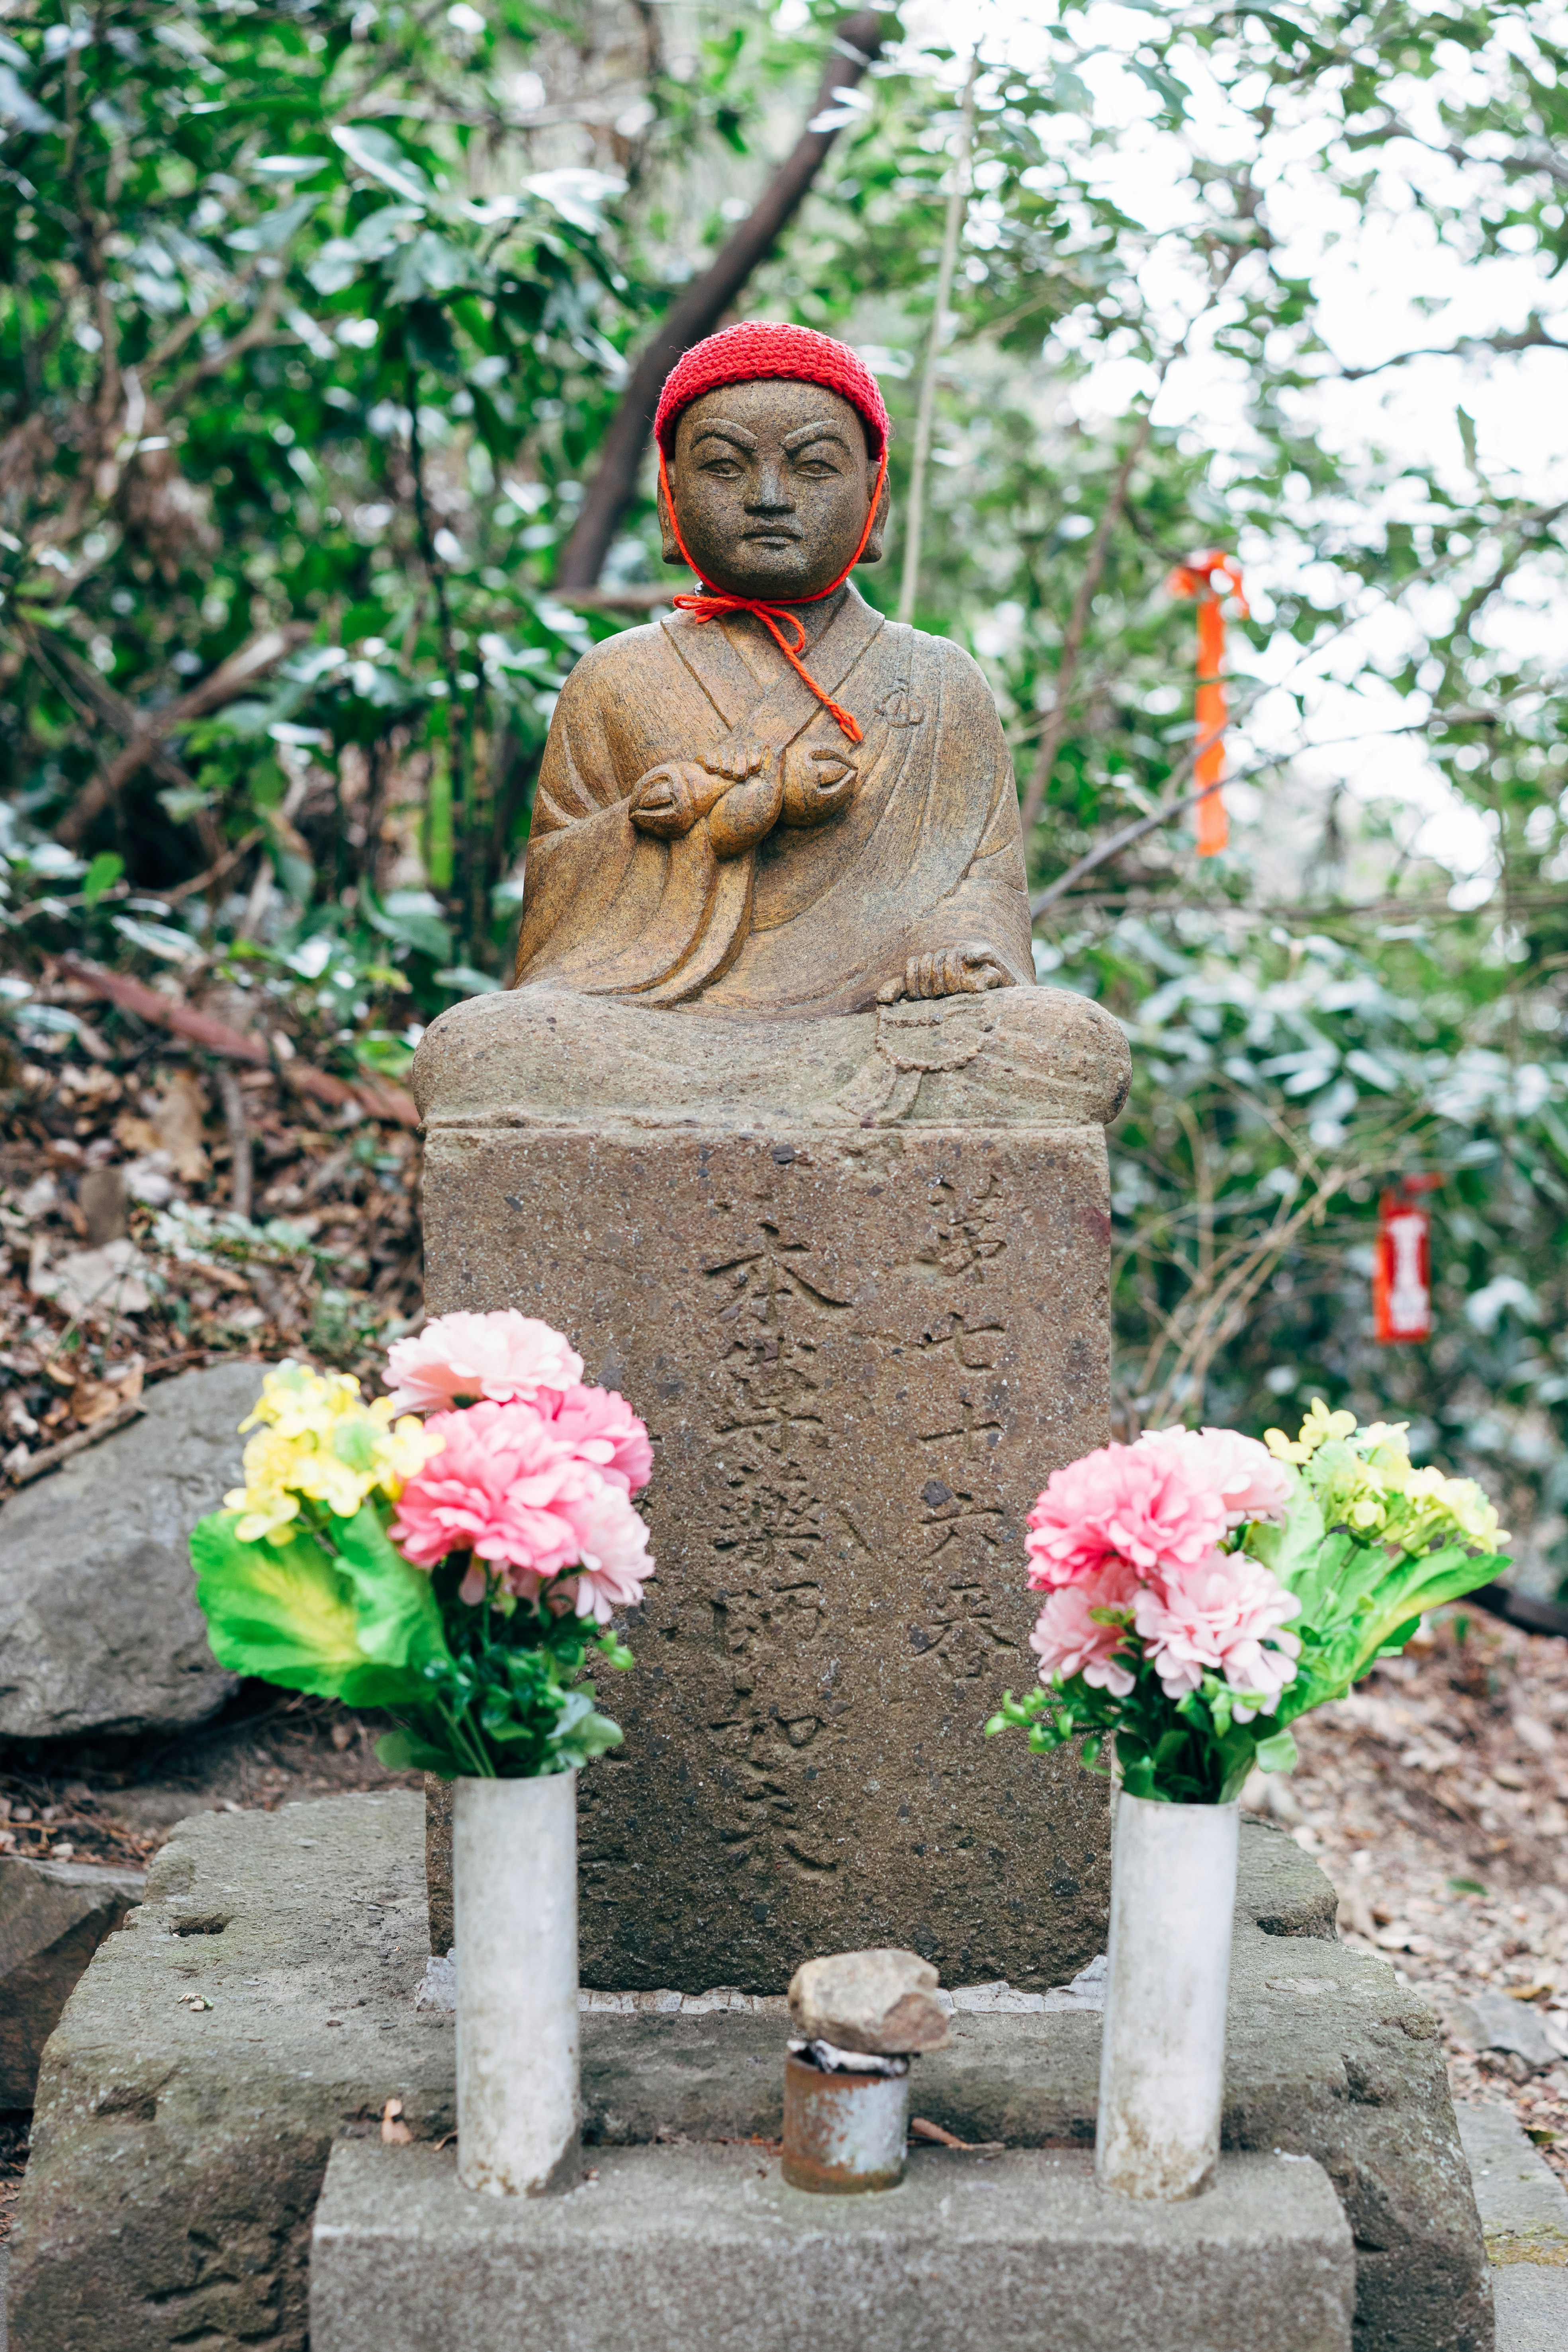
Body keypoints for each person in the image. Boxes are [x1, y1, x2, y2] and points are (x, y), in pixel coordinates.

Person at [511, 321, 1034, 1019]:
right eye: (723, 467)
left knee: (1060, 1038)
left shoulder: (939, 679)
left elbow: (986, 885)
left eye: (813, 467)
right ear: (670, 496)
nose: (767, 496)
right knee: (491, 1041)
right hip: (661, 1022)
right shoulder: (614, 675)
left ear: (875, 497)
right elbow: (559, 911)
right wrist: (684, 817)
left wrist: (958, 950)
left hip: (878, 1015)